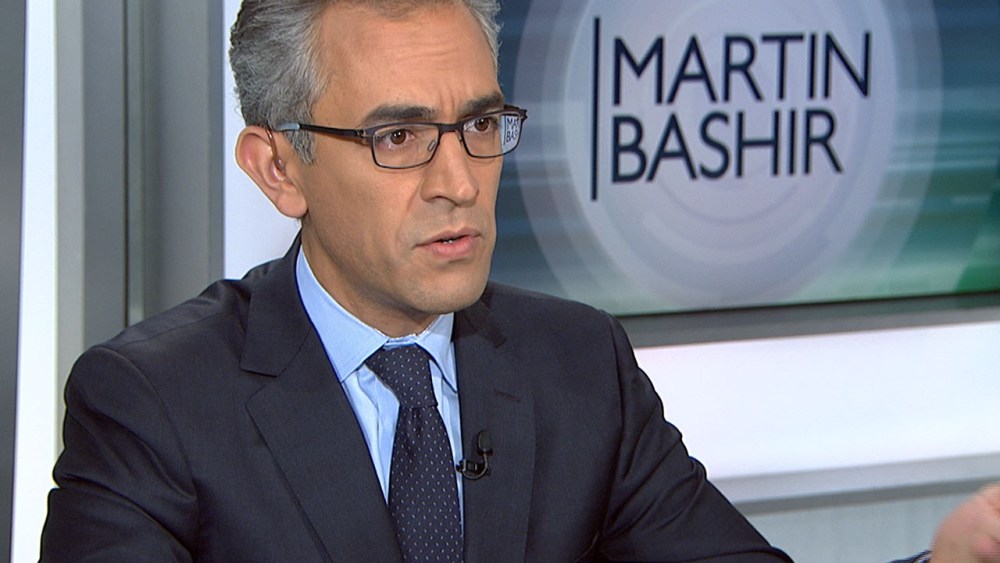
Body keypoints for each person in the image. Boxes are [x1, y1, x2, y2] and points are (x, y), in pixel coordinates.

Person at [35, 0, 996, 561]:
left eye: (480, 126)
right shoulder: (155, 404)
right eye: (398, 136)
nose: (459, 183)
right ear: (278, 167)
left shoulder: (578, 365)